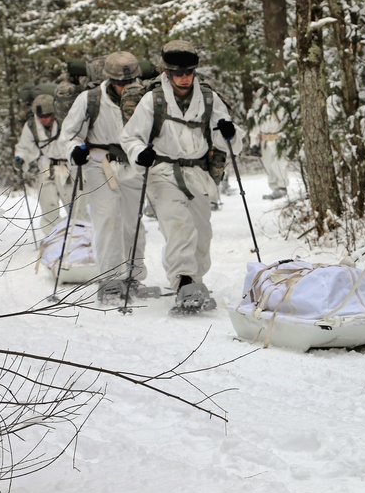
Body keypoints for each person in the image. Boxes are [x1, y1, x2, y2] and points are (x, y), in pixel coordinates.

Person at [120, 40, 243, 313]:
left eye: (189, 72)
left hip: (197, 172)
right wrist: (140, 153)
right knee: (179, 226)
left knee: (202, 233)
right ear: (167, 72)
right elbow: (130, 137)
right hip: (162, 172)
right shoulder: (153, 99)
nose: (184, 77)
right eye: (178, 73)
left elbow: (232, 141)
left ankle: (194, 282)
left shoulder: (209, 98)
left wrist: (229, 132)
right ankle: (184, 281)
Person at [58, 51, 148, 304]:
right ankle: (109, 278)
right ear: (109, 80)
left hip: (133, 164)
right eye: (120, 83)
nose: (124, 88)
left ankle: (133, 275)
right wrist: (74, 149)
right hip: (100, 164)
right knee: (107, 219)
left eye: (129, 83)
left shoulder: (145, 98)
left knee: (134, 222)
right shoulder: (90, 99)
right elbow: (69, 132)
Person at [14, 93, 70, 237]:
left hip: (69, 167)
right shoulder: (32, 126)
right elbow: (25, 147)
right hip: (47, 167)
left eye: (47, 115)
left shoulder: (66, 121)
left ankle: (82, 240)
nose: (44, 119)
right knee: (48, 205)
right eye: (41, 116)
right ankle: (53, 239)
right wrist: (20, 158)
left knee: (76, 205)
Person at [252, 103, 289, 200]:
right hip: (264, 141)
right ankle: (275, 187)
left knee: (279, 164)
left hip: (277, 140)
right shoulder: (258, 112)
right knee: (268, 166)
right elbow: (254, 129)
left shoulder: (278, 108)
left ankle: (282, 187)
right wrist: (254, 144)